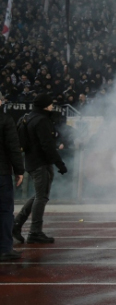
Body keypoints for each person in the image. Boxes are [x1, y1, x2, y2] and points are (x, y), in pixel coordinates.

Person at [13, 94, 68, 244]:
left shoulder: (27, 118)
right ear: (45, 105)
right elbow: (47, 146)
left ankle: (17, 224)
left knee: (39, 195)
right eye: (50, 104)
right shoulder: (42, 120)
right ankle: (35, 232)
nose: (52, 106)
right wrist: (60, 164)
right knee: (41, 197)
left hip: (31, 161)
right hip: (41, 163)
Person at [0, 97, 24, 261]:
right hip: (1, 172)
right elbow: (13, 147)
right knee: (5, 210)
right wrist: (19, 170)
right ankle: (4, 248)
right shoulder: (5, 120)